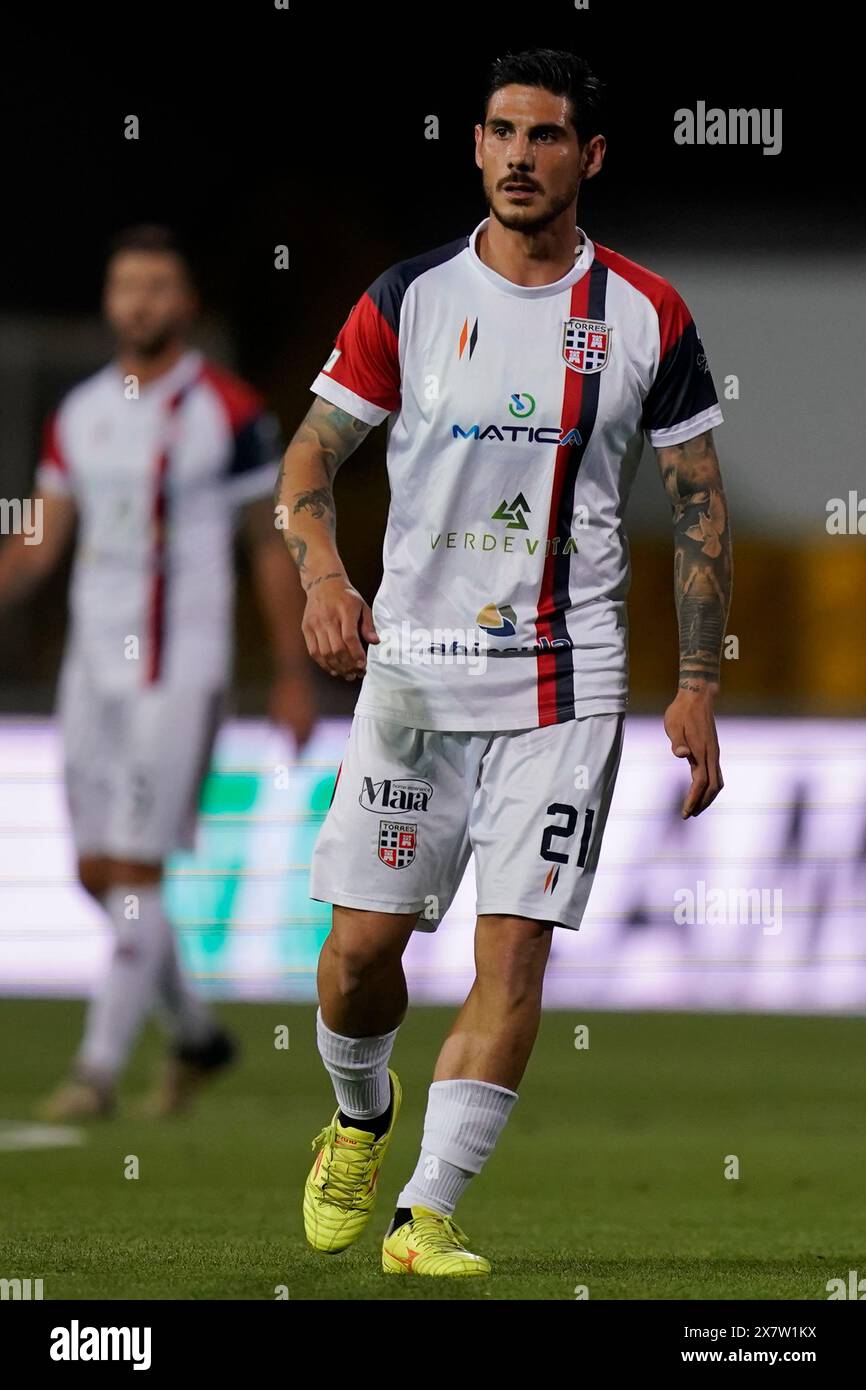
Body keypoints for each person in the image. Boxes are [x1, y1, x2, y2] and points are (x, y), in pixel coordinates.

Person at [275, 48, 732, 1275]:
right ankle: (360, 1113)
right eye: (498, 132)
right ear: (473, 147)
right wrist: (325, 575)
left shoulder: (644, 315)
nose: (518, 156)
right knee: (362, 953)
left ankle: (424, 1213)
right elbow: (309, 459)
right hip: (414, 680)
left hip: (566, 682)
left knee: (513, 948)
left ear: (589, 157)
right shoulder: (409, 299)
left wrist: (696, 683)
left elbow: (696, 503)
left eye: (544, 136)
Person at [0, 224, 315, 1119]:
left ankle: (95, 1072)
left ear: (185, 304)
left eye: (157, 286)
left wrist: (292, 672)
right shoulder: (82, 413)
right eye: (125, 285)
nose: (139, 301)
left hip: (183, 670)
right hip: (91, 671)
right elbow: (41, 540)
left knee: (136, 869)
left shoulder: (230, 410)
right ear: (109, 301)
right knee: (96, 871)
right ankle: (198, 1036)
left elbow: (267, 546)